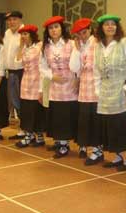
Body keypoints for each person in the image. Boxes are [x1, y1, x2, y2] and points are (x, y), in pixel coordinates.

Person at [94, 14, 126, 171]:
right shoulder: (98, 46)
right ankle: (118, 156)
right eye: (106, 24)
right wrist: (98, 90)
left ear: (117, 27)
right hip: (105, 94)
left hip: (121, 93)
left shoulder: (125, 44)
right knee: (111, 127)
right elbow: (96, 71)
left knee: (123, 126)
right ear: (101, 28)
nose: (110, 27)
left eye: (113, 24)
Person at [40, 16, 78, 158]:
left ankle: (71, 144)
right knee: (58, 117)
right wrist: (51, 76)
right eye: (51, 28)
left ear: (62, 28)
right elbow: (42, 66)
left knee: (69, 116)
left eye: (56, 27)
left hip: (70, 87)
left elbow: (79, 62)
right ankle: (62, 144)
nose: (54, 30)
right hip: (55, 88)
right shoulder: (46, 47)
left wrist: (77, 79)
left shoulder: (72, 44)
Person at [69, 18, 104, 164]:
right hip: (84, 91)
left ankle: (98, 151)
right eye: (79, 34)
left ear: (90, 30)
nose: (83, 36)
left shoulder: (98, 44)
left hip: (96, 90)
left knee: (96, 122)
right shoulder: (79, 47)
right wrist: (77, 49)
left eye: (84, 32)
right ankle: (92, 149)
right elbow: (74, 68)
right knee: (86, 122)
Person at [14, 24, 46, 148]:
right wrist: (21, 46)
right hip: (26, 81)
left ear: (32, 34)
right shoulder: (24, 48)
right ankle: (28, 135)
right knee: (26, 110)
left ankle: (39, 136)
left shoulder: (40, 46)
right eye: (22, 34)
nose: (23, 36)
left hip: (37, 80)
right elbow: (17, 63)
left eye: (26, 34)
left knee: (36, 109)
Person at [2, 11, 26, 139]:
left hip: (22, 72)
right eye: (9, 20)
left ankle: (27, 130)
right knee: (14, 101)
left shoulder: (25, 33)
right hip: (10, 72)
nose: (11, 22)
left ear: (20, 20)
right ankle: (21, 130)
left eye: (14, 19)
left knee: (23, 101)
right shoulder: (7, 33)